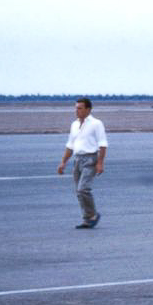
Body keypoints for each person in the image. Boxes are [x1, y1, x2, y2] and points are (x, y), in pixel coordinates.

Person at [56, 97, 107, 229]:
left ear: (88, 109)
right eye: (76, 108)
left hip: (91, 159)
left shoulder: (96, 123)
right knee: (79, 192)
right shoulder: (74, 124)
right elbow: (70, 146)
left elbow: (103, 144)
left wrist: (100, 163)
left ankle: (93, 215)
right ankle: (87, 218)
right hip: (77, 160)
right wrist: (63, 162)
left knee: (83, 189)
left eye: (80, 108)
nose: (76, 111)